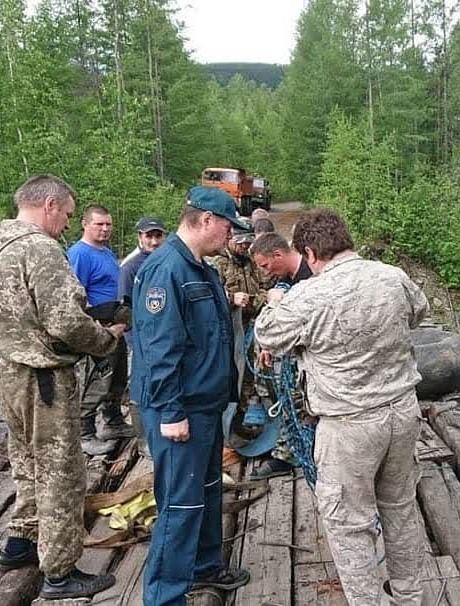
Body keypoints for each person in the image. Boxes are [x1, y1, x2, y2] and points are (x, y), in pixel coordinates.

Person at [254, 208, 428, 605]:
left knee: (349, 523)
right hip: (402, 412)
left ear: (311, 252)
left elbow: (268, 334)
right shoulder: (391, 276)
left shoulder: (308, 296)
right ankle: (409, 597)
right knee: (400, 509)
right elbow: (419, 312)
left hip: (348, 425)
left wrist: (275, 299)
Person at [0, 174, 126, 600]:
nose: (66, 223)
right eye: (66, 214)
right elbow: (65, 321)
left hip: (3, 368)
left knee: (25, 457)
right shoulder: (40, 249)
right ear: (48, 205)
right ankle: (60, 572)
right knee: (61, 469)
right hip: (42, 376)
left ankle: (20, 542)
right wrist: (106, 339)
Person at [131, 186, 251, 606]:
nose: (230, 235)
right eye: (226, 225)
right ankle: (165, 596)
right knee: (180, 505)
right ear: (204, 221)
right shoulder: (167, 271)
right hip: (180, 409)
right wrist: (169, 411)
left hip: (206, 404)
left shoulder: (202, 268)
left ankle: (205, 566)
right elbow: (159, 347)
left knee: (209, 487)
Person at [67, 205, 134, 455]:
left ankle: (113, 421)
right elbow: (75, 295)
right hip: (98, 328)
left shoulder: (105, 252)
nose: (105, 229)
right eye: (99, 224)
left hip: (115, 325)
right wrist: (96, 326)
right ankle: (85, 432)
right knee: (98, 379)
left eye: (108, 224)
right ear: (85, 224)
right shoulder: (79, 254)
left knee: (117, 377)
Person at [247, 232, 313, 478]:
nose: (265, 272)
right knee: (289, 399)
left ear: (278, 254)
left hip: (314, 360)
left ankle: (289, 455)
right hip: (294, 356)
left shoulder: (311, 277)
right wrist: (268, 344)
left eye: (266, 265)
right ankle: (290, 450)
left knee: (299, 403)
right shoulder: (288, 278)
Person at [118, 216, 168, 458]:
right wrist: (132, 344)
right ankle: (143, 440)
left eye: (158, 236)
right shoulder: (130, 267)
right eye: (149, 236)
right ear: (140, 237)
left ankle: (159, 431)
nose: (154, 241)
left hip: (162, 338)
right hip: (139, 340)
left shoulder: (167, 261)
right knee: (139, 390)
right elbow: (123, 309)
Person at [211, 220, 267, 402]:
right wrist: (231, 299)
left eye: (248, 241)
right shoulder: (218, 263)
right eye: (240, 240)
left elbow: (264, 286)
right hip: (227, 330)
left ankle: (242, 412)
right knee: (228, 371)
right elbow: (210, 296)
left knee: (247, 372)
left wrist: (261, 299)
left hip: (249, 327)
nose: (245, 245)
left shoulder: (251, 262)